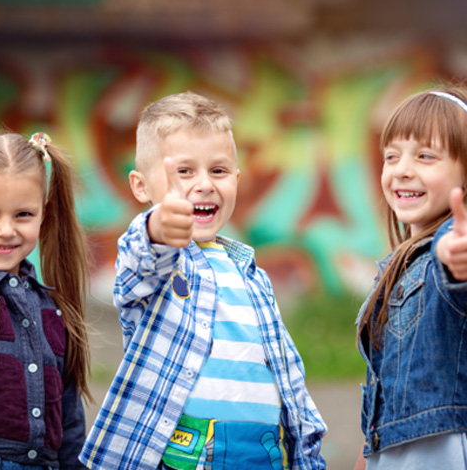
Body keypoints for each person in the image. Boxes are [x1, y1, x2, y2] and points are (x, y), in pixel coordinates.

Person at [80, 91, 327, 470]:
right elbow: (141, 261)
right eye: (184, 171)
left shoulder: (251, 274)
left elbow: (287, 375)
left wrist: (307, 453)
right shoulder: (160, 260)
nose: (204, 184)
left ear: (237, 179)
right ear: (141, 186)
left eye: (218, 170)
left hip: (264, 452)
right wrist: (157, 228)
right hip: (185, 453)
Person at [354, 88, 467, 470]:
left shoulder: (449, 245)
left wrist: (458, 261)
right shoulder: (401, 264)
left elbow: (458, 276)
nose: (402, 169)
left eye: (425, 156)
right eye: (392, 156)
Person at [0, 118, 92, 469]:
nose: (6, 229)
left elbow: (70, 424)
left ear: (44, 215)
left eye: (23, 214)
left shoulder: (53, 309)